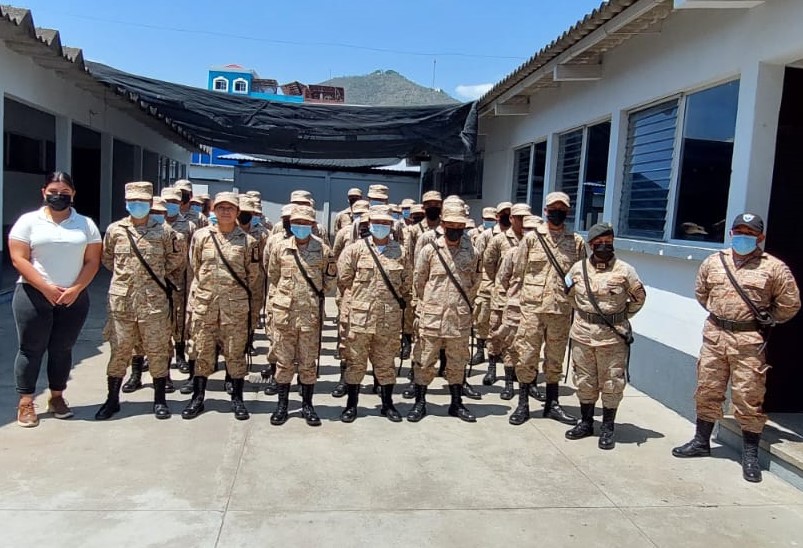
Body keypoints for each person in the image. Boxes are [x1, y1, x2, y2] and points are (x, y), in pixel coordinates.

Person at [672, 213, 800, 482]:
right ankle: (701, 441)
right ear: (731, 233)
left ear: (760, 237)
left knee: (748, 396)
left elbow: (790, 304)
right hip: (715, 336)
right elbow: (702, 293)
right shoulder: (713, 262)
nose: (743, 236)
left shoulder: (774, 267)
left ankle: (749, 455)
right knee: (707, 389)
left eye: (750, 233)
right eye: (739, 231)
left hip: (748, 341)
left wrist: (766, 319)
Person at [8, 171, 102, 427]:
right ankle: (26, 402)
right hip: (33, 295)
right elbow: (18, 258)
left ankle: (57, 397)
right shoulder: (28, 221)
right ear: (43, 192)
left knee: (62, 349)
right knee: (31, 349)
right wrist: (46, 287)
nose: (58, 196)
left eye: (64, 193)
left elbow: (92, 261)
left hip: (73, 298)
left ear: (73, 194)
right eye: (53, 192)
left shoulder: (86, 224)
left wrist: (76, 289)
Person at [95, 182, 183, 420]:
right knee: (120, 350)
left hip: (153, 303)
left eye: (142, 202)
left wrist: (153, 276)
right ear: (126, 203)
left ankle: (160, 400)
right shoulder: (115, 230)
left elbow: (175, 259)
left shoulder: (164, 232)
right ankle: (112, 400)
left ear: (150, 203)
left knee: (157, 350)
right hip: (122, 304)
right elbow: (108, 259)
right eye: (133, 202)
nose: (137, 205)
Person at [561, 223, 646, 448]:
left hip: (612, 338)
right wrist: (585, 314)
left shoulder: (625, 270)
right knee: (584, 380)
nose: (604, 246)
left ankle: (608, 427)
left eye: (608, 242)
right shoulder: (577, 269)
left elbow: (639, 298)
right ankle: (586, 422)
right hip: (582, 335)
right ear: (590, 245)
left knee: (612, 382)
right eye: (599, 243)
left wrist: (619, 317)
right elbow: (568, 294)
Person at [181, 192, 262, 421]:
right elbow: (195, 266)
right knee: (202, 351)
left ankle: (237, 398)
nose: (225, 211)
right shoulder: (201, 237)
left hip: (234, 309)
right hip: (206, 305)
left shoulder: (249, 242)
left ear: (237, 212)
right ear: (213, 210)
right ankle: (198, 397)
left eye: (230, 208)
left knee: (235, 353)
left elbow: (252, 276)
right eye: (221, 207)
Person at [511, 192, 585, 425]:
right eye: (553, 209)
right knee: (526, 355)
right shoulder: (532, 239)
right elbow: (518, 272)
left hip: (560, 310)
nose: (557, 212)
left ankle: (552, 404)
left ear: (568, 212)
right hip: (532, 310)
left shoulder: (576, 242)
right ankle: (523, 404)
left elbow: (580, 276)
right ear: (545, 211)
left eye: (561, 209)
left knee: (555, 358)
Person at [337, 205, 412, 422]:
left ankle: (387, 405)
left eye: (385, 223)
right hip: (360, 317)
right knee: (355, 361)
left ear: (391, 226)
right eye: (377, 222)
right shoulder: (355, 250)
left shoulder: (401, 252)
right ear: (369, 224)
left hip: (388, 319)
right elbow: (344, 279)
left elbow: (407, 283)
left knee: (386, 362)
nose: (381, 226)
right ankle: (351, 405)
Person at [407, 204, 480, 423]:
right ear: (443, 224)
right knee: (424, 359)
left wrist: (462, 304)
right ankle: (420, 402)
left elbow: (475, 282)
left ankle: (456, 403)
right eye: (451, 225)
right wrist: (430, 303)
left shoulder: (472, 252)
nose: (455, 230)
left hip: (459, 318)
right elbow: (419, 281)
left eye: (460, 226)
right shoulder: (430, 250)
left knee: (457, 362)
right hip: (432, 317)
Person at [267, 205, 337, 426]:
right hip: (284, 314)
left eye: (306, 223)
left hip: (310, 315)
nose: (301, 226)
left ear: (313, 225)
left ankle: (307, 405)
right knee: (284, 362)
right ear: (291, 224)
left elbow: (330, 282)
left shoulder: (323, 250)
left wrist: (310, 296)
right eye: (297, 223)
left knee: (308, 363)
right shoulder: (280, 247)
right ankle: (282, 406)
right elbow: (273, 275)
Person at [482, 203, 530, 394]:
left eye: (525, 217)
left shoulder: (533, 240)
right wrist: (499, 287)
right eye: (519, 217)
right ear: (511, 219)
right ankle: (492, 367)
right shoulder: (499, 239)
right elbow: (488, 264)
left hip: (525, 298)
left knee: (519, 338)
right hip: (502, 295)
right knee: (496, 333)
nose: (522, 221)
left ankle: (516, 372)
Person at [330, 199, 370, 397]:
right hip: (350, 294)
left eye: (365, 216)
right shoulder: (345, 234)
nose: (362, 221)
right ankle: (343, 379)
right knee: (347, 338)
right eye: (358, 215)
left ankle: (378, 382)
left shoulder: (384, 240)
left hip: (374, 298)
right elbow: (335, 257)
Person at [470, 202, 511, 375]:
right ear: (497, 216)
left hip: (508, 286)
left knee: (502, 321)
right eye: (503, 213)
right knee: (482, 317)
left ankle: (498, 351)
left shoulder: (516, 236)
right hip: (487, 282)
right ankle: (480, 350)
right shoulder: (486, 235)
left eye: (509, 213)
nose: (506, 216)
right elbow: (479, 261)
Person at [161, 187, 197, 377]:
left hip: (182, 280)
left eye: (174, 202)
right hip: (158, 281)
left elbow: (195, 255)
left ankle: (180, 354)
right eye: (167, 202)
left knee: (181, 318)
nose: (170, 205)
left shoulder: (189, 226)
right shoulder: (154, 224)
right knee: (161, 320)